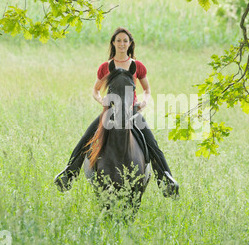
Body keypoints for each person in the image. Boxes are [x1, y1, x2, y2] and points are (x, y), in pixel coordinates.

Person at [54, 27, 179, 198]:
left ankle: (165, 179)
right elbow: (96, 90)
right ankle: (69, 173)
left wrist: (144, 102)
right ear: (113, 43)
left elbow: (147, 89)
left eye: (125, 41)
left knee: (152, 143)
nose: (122, 43)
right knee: (85, 139)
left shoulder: (137, 66)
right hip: (110, 112)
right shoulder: (105, 67)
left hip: (132, 112)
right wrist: (101, 100)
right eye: (118, 40)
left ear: (130, 44)